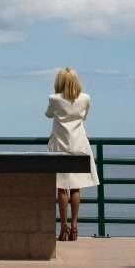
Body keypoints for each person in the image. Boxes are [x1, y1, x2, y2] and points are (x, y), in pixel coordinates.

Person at [46, 67, 99, 241]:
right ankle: (75, 226)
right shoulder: (85, 98)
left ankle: (63, 227)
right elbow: (83, 118)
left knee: (61, 187)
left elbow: (48, 114)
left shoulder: (54, 99)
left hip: (60, 146)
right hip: (80, 145)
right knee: (76, 187)